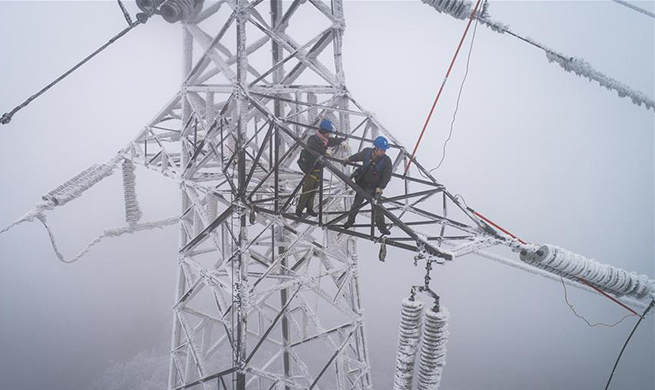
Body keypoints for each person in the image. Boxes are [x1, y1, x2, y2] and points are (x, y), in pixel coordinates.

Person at [342, 136, 392, 235]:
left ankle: (381, 227)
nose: (383, 152)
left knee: (378, 208)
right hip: (363, 184)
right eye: (382, 150)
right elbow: (358, 156)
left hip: (375, 188)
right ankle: (350, 222)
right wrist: (349, 159)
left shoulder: (386, 161)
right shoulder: (367, 153)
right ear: (376, 148)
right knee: (356, 205)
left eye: (384, 150)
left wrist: (380, 187)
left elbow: (387, 176)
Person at [296, 119, 344, 217]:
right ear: (324, 131)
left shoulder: (324, 140)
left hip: (318, 169)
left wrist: (342, 141)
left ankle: (309, 208)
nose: (329, 135)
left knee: (313, 191)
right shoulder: (313, 139)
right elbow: (313, 146)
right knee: (307, 190)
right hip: (310, 169)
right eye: (328, 133)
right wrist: (325, 151)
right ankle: (299, 209)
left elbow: (332, 141)